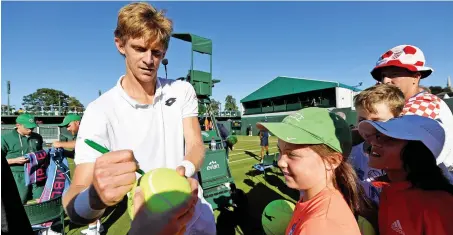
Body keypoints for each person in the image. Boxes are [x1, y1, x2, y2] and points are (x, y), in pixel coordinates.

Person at [61, 2, 216, 234]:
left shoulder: (182, 90)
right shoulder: (98, 111)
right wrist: (95, 197)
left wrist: (183, 169)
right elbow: (74, 199)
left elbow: (195, 144)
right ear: (120, 44)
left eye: (156, 52)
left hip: (197, 216)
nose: (149, 60)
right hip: (147, 226)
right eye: (139, 48)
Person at [257, 107, 376, 235]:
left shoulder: (321, 227)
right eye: (280, 151)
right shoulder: (312, 200)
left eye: (292, 155)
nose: (280, 162)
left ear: (332, 161)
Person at [351, 84, 453, 203]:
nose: (369, 128)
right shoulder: (353, 154)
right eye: (362, 120)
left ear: (398, 119)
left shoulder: (414, 156)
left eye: (377, 121)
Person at [359, 115, 453, 235]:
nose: (374, 143)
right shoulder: (388, 190)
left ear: (417, 153)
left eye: (390, 139)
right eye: (378, 136)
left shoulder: (440, 204)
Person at [370, 44, 453, 169]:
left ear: (416, 77)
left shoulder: (426, 102)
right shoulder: (403, 102)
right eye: (383, 76)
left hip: (433, 180)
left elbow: (383, 138)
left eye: (394, 74)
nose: (386, 80)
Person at [53, 114, 104, 235]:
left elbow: (83, 143)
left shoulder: (88, 130)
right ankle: (97, 226)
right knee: (94, 197)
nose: (68, 129)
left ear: (77, 122)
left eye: (69, 125)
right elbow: (78, 151)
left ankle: (93, 230)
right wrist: (64, 152)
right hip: (91, 167)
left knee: (89, 197)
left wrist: (60, 144)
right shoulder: (80, 134)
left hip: (94, 168)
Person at [1, 113, 45, 204]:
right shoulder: (5, 138)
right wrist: (15, 160)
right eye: (27, 127)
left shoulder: (37, 137)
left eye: (32, 127)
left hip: (37, 173)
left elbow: (41, 153)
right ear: (18, 125)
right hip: (17, 175)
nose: (30, 129)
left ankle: (41, 218)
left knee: (42, 199)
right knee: (20, 201)